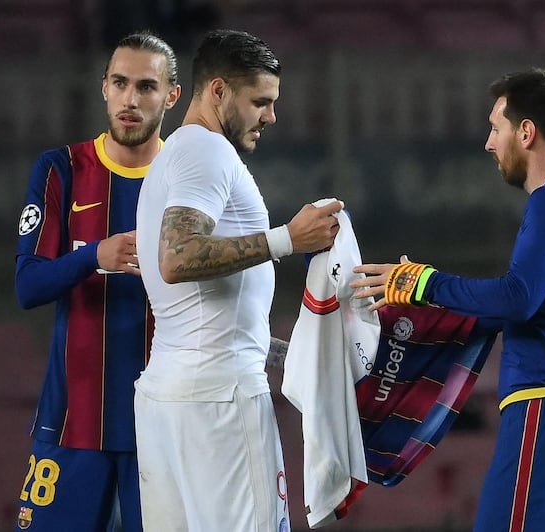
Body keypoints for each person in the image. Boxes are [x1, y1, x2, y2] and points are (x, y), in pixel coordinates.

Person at [350, 67, 545, 532]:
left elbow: (516, 298)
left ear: (527, 132)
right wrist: (429, 305)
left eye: (496, 128)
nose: (489, 143)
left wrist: (422, 282)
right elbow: (524, 305)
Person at [134, 29, 344, 531]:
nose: (271, 115)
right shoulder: (206, 153)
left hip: (170, 399)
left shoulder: (175, 155)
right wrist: (287, 239)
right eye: (261, 102)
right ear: (219, 91)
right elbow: (178, 258)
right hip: (220, 403)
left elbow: (202, 313)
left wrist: (284, 354)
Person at [13, 31, 181, 532]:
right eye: (120, 83)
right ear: (103, 87)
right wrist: (94, 256)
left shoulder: (191, 178)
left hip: (162, 430)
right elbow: (28, 285)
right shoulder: (60, 169)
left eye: (146, 87)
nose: (131, 99)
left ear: (171, 96)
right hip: (71, 424)